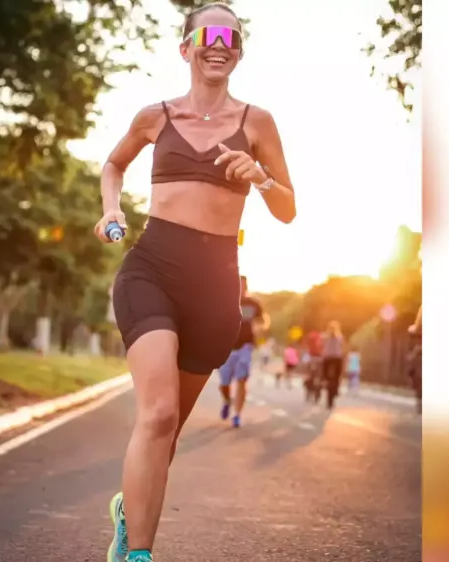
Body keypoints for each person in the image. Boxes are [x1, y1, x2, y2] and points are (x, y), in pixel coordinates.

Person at [91, 3, 296, 561]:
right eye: (207, 32)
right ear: (186, 47)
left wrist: (262, 178)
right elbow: (113, 165)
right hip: (151, 268)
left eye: (231, 34)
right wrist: (110, 211)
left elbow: (288, 210)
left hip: (215, 288)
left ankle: (127, 510)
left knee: (168, 435)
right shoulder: (153, 117)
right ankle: (137, 554)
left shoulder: (259, 123)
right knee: (155, 416)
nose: (219, 42)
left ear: (239, 51)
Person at [218, 275, 267, 427]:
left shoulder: (254, 303)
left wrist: (259, 327)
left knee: (242, 380)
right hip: (227, 346)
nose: (241, 288)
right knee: (224, 382)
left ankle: (237, 415)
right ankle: (227, 400)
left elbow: (263, 320)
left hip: (246, 345)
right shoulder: (225, 302)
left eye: (244, 285)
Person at [319, 321, 346, 408]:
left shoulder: (324, 336)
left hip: (327, 358)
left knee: (324, 372)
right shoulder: (340, 337)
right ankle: (337, 387)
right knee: (338, 375)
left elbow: (321, 345)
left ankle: (324, 380)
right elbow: (343, 347)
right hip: (337, 358)